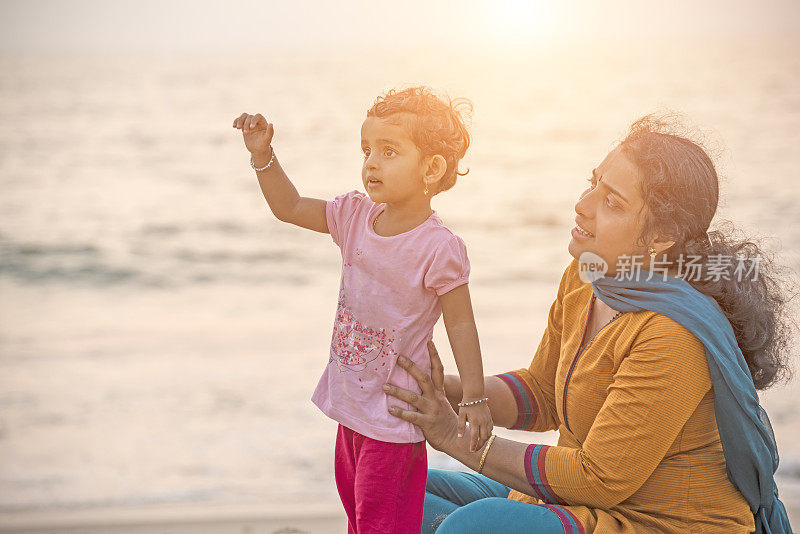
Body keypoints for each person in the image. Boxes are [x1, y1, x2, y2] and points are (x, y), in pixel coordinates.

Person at [383, 113, 795, 533]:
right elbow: (542, 393)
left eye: (612, 202)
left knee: (474, 525)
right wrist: (444, 391)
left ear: (661, 237)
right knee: (398, 492)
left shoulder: (672, 334)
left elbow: (598, 478)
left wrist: (455, 436)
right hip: (583, 503)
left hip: (659, 522)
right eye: (592, 183)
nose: (583, 205)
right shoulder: (586, 279)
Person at [232, 86, 494, 533]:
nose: (372, 161)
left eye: (389, 151)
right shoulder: (355, 216)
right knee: (358, 520)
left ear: (431, 168)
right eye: (367, 149)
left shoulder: (438, 247)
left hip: (393, 421)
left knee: (383, 525)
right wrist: (263, 156)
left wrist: (473, 397)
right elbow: (290, 207)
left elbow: (462, 324)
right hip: (350, 411)